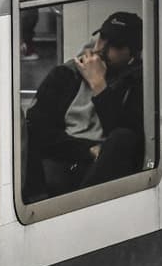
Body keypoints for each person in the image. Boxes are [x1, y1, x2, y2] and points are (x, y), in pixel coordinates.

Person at [25, 12, 145, 198]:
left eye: (115, 44)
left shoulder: (137, 83)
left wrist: (99, 86)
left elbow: (125, 136)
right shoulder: (65, 75)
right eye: (102, 38)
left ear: (132, 54)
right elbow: (38, 128)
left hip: (101, 170)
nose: (101, 49)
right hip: (63, 158)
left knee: (123, 138)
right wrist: (87, 150)